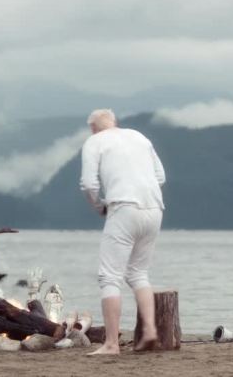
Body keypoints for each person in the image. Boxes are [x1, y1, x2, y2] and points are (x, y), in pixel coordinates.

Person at [79, 109, 166, 355]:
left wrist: (100, 206)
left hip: (123, 208)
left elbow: (88, 184)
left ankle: (111, 344)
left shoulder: (94, 142)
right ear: (114, 122)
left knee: (109, 277)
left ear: (93, 128)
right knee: (138, 273)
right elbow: (160, 176)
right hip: (154, 208)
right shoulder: (139, 137)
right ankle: (150, 331)